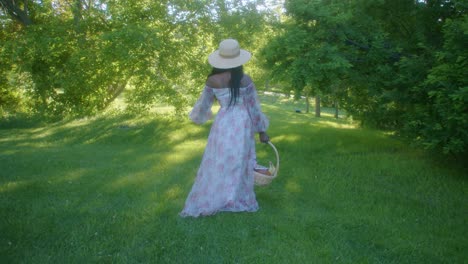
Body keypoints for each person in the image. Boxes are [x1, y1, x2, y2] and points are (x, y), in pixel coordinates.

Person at [180, 39, 270, 217]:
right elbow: (254, 108)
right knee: (240, 160)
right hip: (242, 123)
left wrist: (198, 117)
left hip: (223, 122)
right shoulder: (245, 79)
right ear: (239, 60)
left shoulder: (213, 80)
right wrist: (262, 131)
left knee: (219, 160)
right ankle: (235, 198)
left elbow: (203, 105)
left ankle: (219, 195)